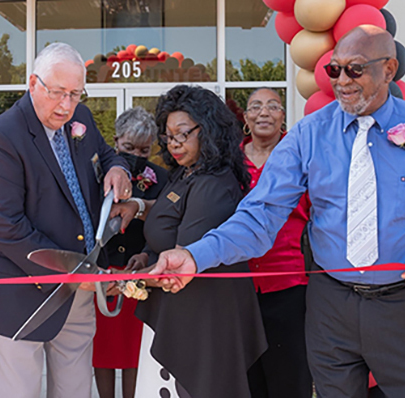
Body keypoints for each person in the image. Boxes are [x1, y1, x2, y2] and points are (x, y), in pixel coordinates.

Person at [152, 26, 405, 397]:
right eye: (334, 70)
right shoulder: (308, 135)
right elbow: (260, 215)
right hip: (332, 305)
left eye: (355, 69)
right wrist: (194, 257)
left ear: (389, 69)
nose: (342, 81)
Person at [0, 42, 132, 398]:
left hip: (78, 294)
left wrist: (117, 168)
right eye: (57, 93)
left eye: (75, 93)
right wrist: (73, 271)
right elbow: (4, 225)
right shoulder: (1, 135)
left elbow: (105, 153)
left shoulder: (81, 118)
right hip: (17, 296)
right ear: (33, 83)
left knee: (75, 391)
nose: (66, 105)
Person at [113, 85, 266, 398]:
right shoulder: (187, 173)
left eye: (183, 134)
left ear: (207, 130)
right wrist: (145, 253)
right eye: (169, 136)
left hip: (205, 318)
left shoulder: (214, 184)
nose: (175, 144)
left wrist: (123, 281)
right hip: (184, 312)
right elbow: (169, 219)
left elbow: (181, 258)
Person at [241, 88, 312, 398]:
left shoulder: (297, 158)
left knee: (289, 377)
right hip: (238, 288)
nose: (264, 112)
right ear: (245, 118)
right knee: (246, 378)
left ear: (283, 117)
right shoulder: (230, 162)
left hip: (288, 286)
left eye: (273, 106)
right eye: (255, 106)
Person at [93, 106, 167, 398]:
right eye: (128, 148)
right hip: (103, 272)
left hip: (141, 275)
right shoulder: (98, 173)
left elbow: (165, 223)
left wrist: (148, 254)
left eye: (144, 150)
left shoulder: (161, 178)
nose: (136, 155)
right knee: (103, 348)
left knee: (134, 348)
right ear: (115, 140)